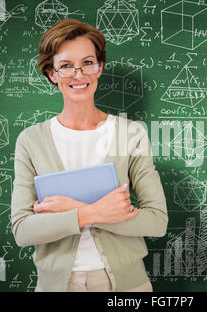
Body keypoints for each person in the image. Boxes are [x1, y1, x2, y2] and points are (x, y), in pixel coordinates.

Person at [11, 18, 168, 292]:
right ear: (52, 74)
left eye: (87, 63)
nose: (78, 74)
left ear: (100, 67)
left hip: (128, 286)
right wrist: (94, 212)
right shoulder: (31, 140)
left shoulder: (131, 135)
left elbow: (157, 221)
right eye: (66, 66)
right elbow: (23, 230)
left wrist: (71, 208)